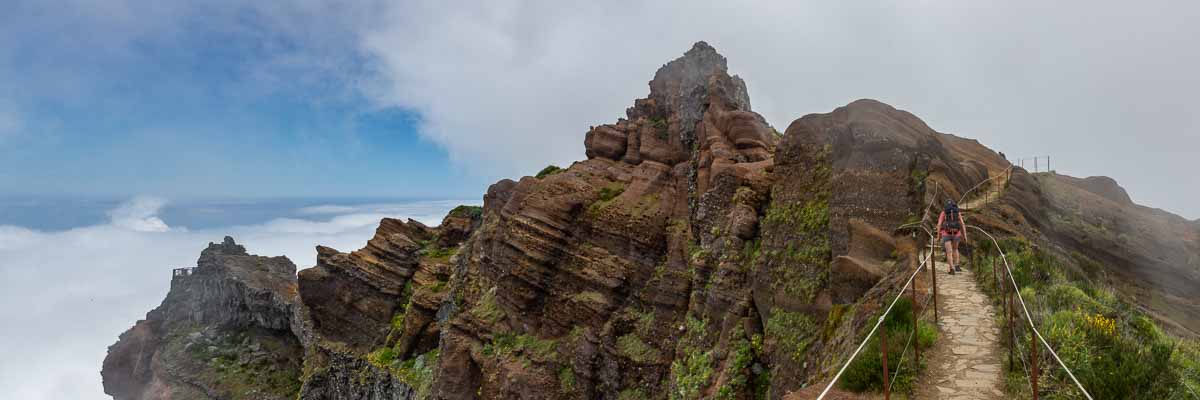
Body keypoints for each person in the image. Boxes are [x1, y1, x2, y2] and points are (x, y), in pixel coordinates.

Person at [938, 200, 967, 274]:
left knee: (949, 252)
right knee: (955, 249)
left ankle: (951, 269)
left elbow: (939, 224)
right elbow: (962, 224)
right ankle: (957, 265)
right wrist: (965, 236)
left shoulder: (944, 212)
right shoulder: (957, 212)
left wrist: (938, 236)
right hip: (957, 233)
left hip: (946, 233)